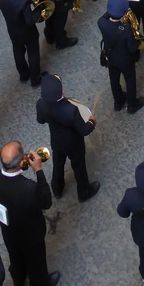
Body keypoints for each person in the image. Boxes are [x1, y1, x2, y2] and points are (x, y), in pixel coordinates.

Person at [0, 141, 59, 286]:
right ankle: (40, 285)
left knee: (14, 253)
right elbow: (46, 202)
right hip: (30, 231)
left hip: (8, 228)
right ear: (19, 164)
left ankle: (18, 278)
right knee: (35, 258)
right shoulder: (29, 188)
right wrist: (38, 170)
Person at [36, 74, 99, 202]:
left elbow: (41, 120)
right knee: (79, 165)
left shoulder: (41, 104)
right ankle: (84, 192)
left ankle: (57, 188)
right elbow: (84, 130)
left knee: (58, 164)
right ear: (61, 92)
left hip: (56, 140)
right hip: (73, 143)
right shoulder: (71, 110)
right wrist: (92, 122)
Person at [0, 0, 42, 88]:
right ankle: (35, 78)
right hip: (27, 32)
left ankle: (23, 74)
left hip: (13, 30)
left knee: (18, 51)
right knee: (33, 53)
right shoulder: (22, 1)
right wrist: (38, 9)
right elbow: (30, 20)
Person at [97, 0, 144, 115]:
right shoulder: (126, 30)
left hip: (111, 58)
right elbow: (132, 48)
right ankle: (132, 104)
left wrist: (115, 9)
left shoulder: (101, 22)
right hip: (125, 60)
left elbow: (106, 15)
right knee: (130, 80)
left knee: (114, 79)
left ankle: (118, 102)